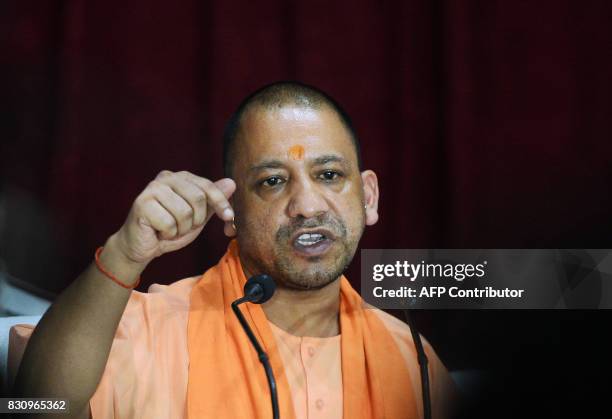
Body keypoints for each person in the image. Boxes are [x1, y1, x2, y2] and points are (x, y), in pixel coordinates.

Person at [13, 82, 457, 419]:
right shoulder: (149, 329)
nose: (306, 207)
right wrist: (124, 256)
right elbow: (32, 406)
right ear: (231, 212)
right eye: (272, 182)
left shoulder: (411, 357)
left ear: (368, 198)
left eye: (328, 175)